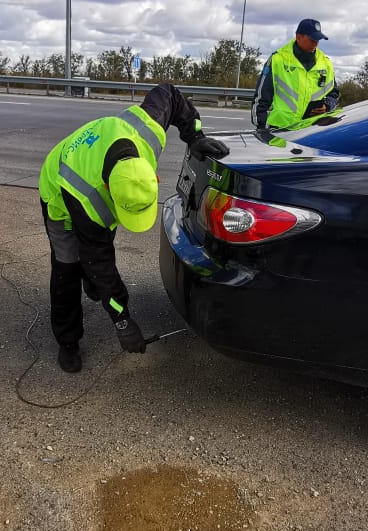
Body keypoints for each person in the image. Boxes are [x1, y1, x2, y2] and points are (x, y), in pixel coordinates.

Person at [38, 84, 229, 373]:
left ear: (152, 174)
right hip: (58, 187)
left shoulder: (147, 132)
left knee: (96, 257)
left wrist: (195, 137)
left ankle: (90, 282)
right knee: (68, 267)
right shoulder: (91, 199)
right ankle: (68, 342)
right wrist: (123, 321)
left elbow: (170, 94)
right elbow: (101, 262)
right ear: (107, 190)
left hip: (96, 165)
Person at [252, 18, 339, 132]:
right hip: (280, 129)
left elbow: (334, 93)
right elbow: (261, 97)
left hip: (312, 130)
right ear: (298, 37)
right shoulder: (278, 59)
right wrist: (262, 126)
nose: (316, 43)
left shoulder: (325, 63)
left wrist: (326, 106)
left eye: (318, 40)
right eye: (312, 39)